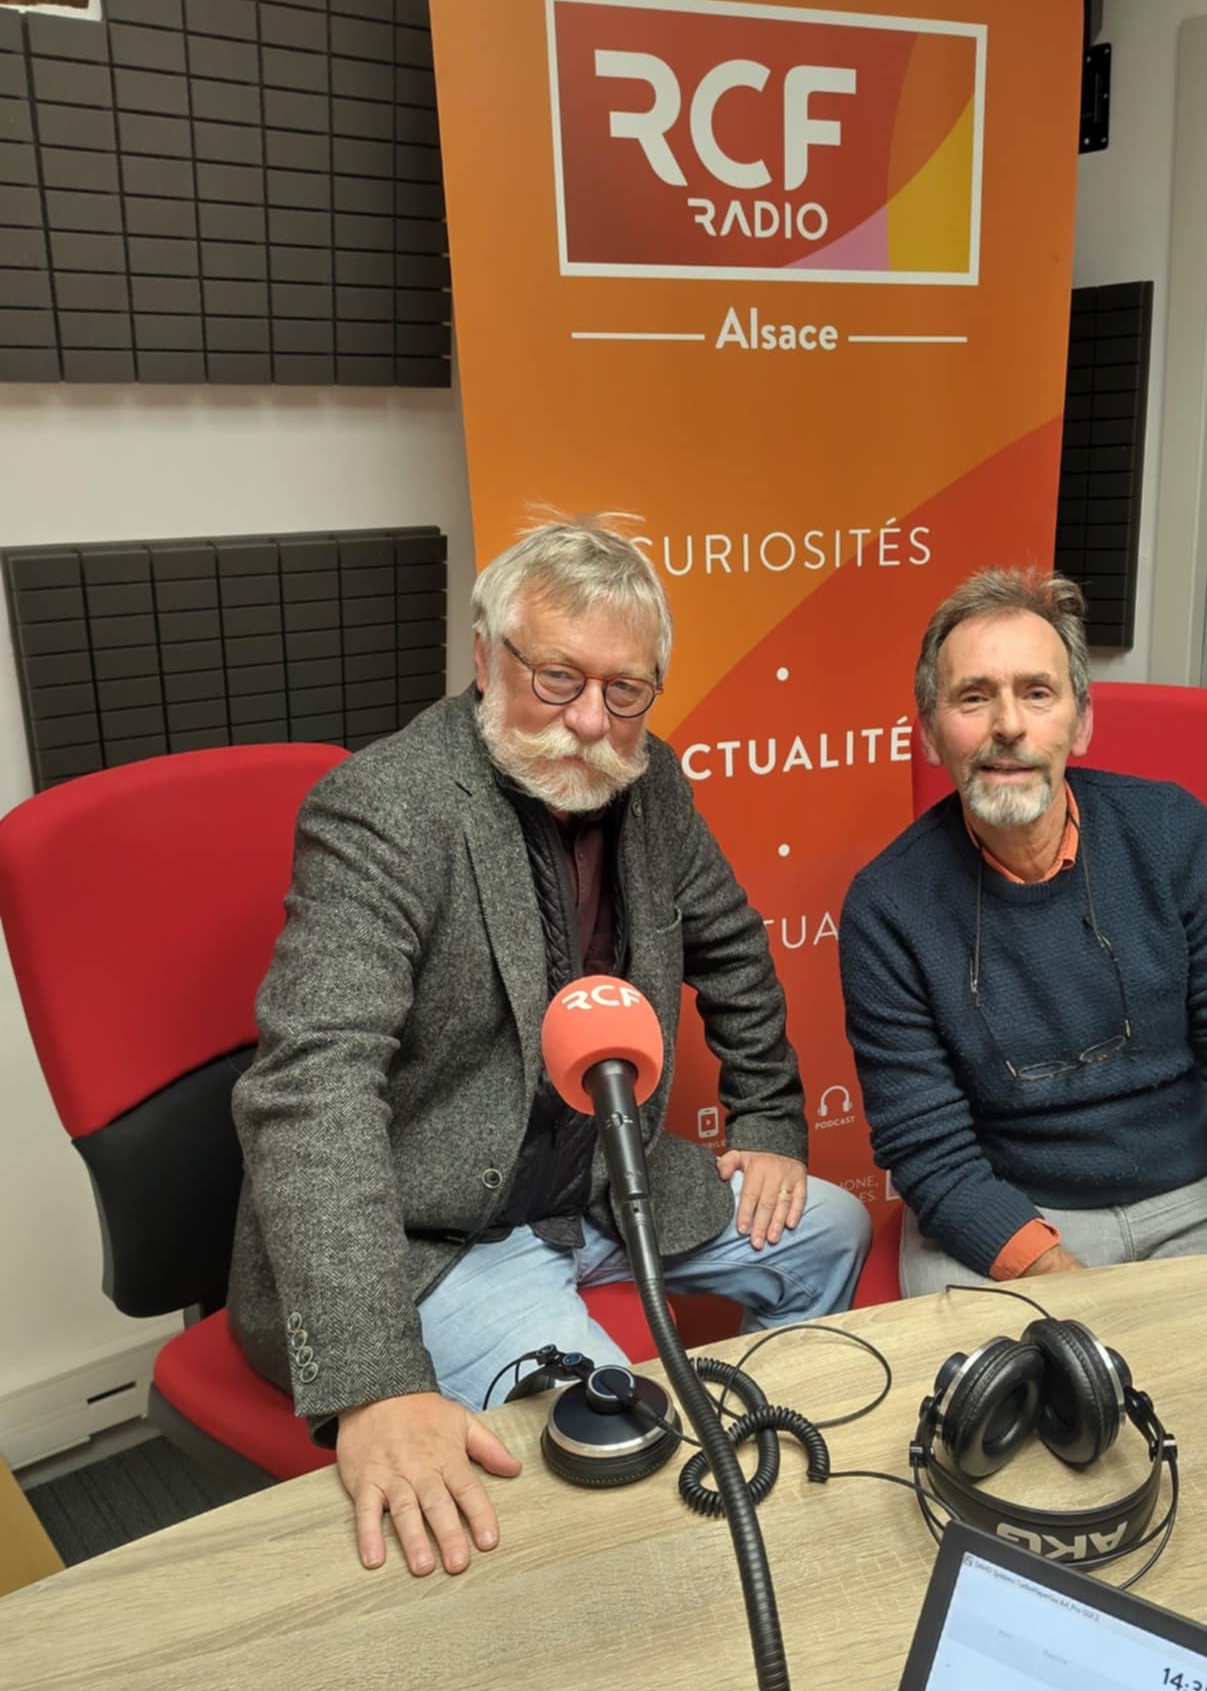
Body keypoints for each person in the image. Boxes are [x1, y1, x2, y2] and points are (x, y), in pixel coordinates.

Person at [230, 516, 870, 1575]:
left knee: (833, 1231)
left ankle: (772, 1504)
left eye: (626, 691)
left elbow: (733, 950)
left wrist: (768, 1119)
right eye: (559, 678)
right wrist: (374, 1380)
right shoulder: (385, 807)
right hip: (438, 1230)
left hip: (598, 1185)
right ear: (486, 657)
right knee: (630, 1450)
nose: (589, 721)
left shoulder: (652, 783)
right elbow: (312, 1087)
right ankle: (689, 1571)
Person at [839, 566, 1207, 1299]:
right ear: (931, 734)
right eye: (974, 697)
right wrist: (1087, 1305)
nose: (1008, 725)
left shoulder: (1175, 833)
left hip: (1191, 1196)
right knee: (1027, 1377)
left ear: (1081, 722)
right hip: (1007, 1214)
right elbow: (930, 1150)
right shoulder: (887, 907)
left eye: (1037, 693)